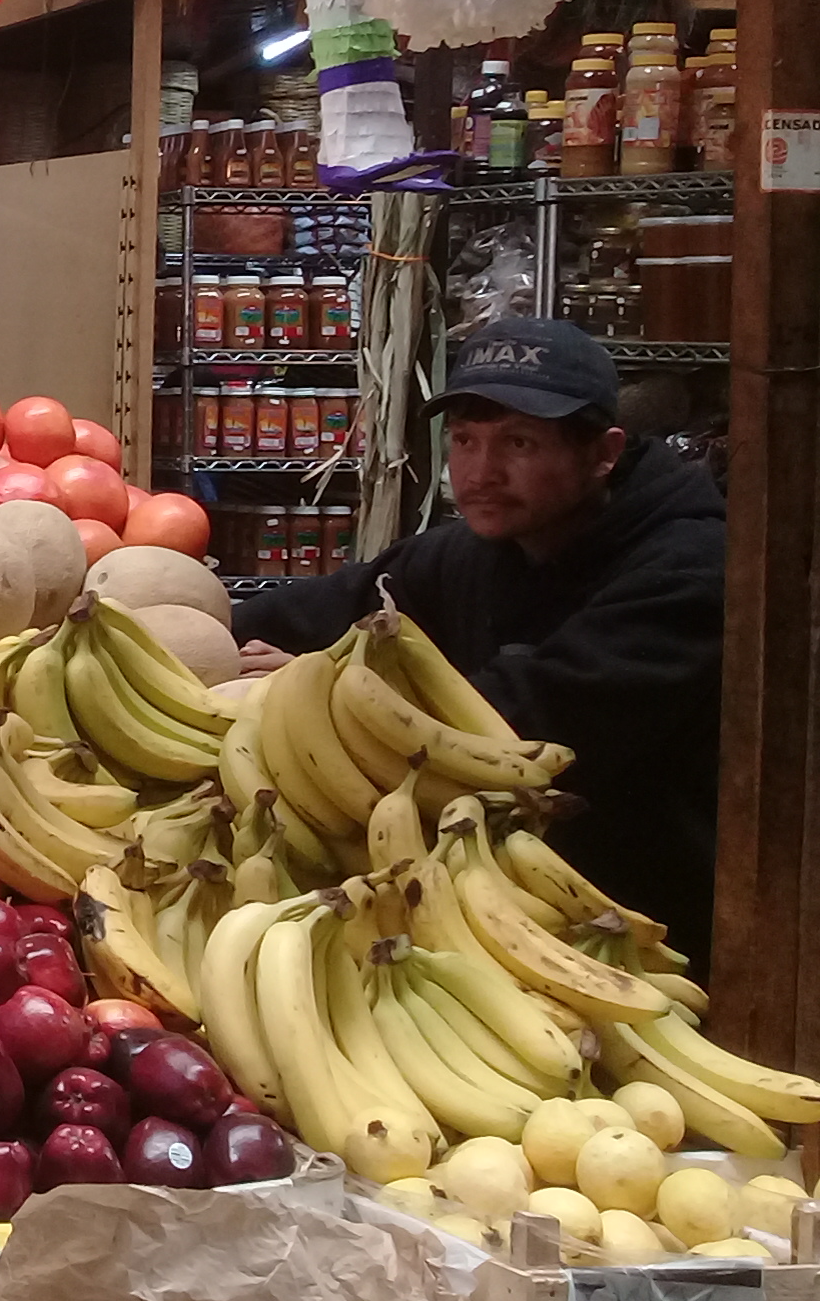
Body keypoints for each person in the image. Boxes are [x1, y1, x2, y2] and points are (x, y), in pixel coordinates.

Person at [232, 318, 726, 966]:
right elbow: (309, 611)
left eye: (519, 442)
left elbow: (525, 723)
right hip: (479, 912)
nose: (481, 472)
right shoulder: (475, 550)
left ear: (603, 453)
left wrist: (309, 687)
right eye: (464, 440)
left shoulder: (690, 569)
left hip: (645, 938)